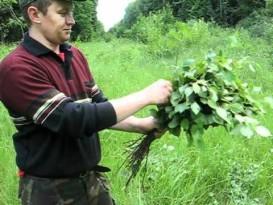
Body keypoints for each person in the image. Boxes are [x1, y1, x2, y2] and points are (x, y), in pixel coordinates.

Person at [0, 0, 172, 204]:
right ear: (35, 14)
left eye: (71, 12)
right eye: (62, 13)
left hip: (92, 181)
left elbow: (97, 106)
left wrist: (142, 125)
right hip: (48, 191)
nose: (71, 20)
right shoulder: (16, 67)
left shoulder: (75, 55)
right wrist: (146, 96)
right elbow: (72, 119)